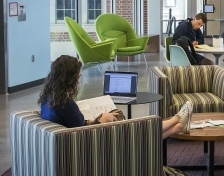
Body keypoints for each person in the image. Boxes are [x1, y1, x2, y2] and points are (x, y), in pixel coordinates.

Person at [39, 55, 191, 139]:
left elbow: (75, 125)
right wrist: (101, 122)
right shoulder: (66, 104)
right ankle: (177, 119)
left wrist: (96, 119)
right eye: (77, 77)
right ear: (69, 78)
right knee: (143, 130)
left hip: (87, 134)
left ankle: (178, 126)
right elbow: (81, 133)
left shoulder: (49, 100)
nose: (79, 81)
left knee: (121, 118)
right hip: (97, 139)